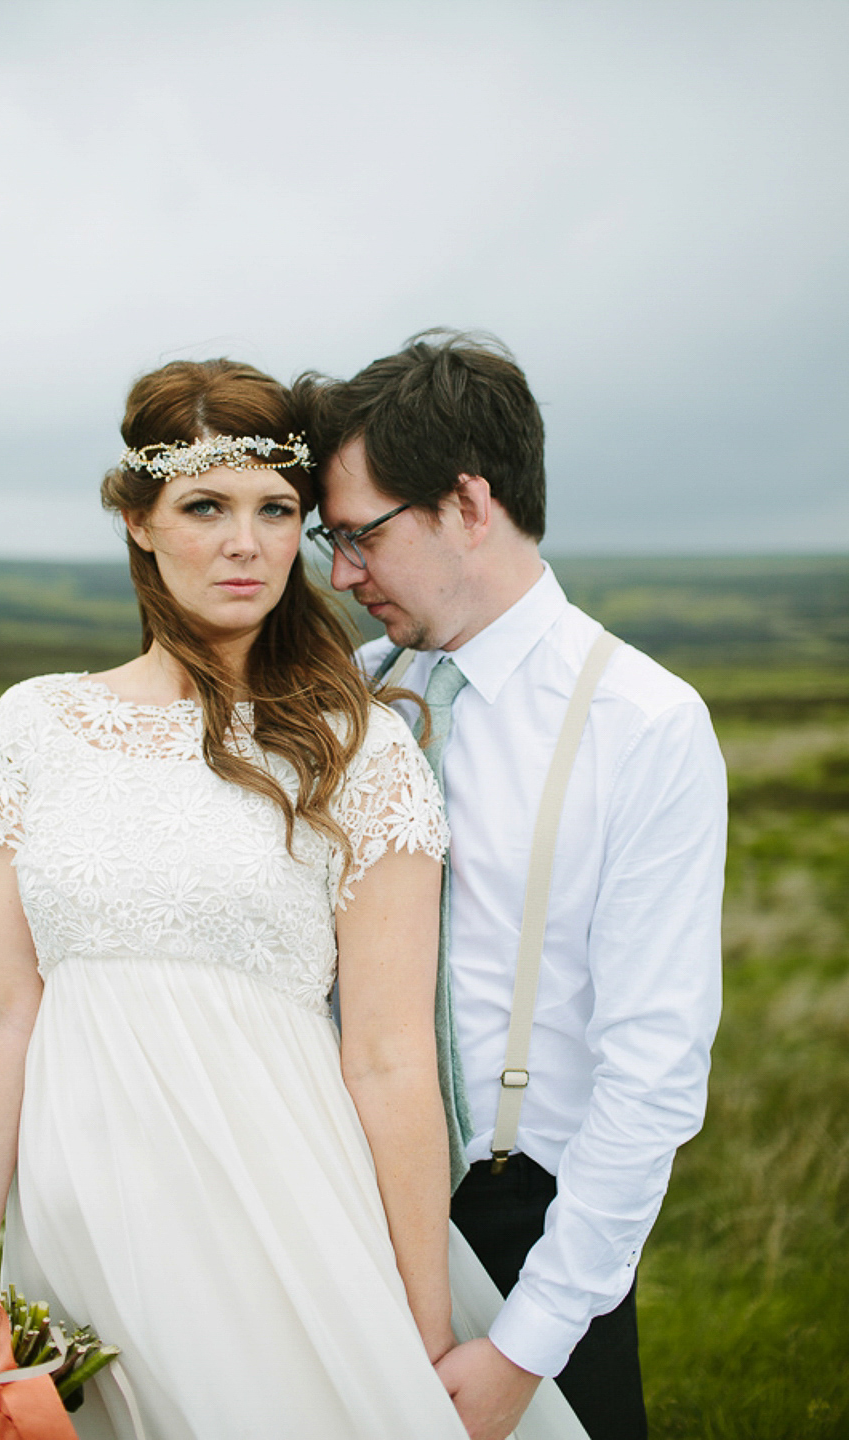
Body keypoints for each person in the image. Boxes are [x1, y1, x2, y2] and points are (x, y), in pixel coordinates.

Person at [0, 357, 508, 1440]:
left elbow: (388, 1056)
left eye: (277, 510)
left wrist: (417, 1329)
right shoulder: (34, 726)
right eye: (205, 506)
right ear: (139, 521)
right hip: (83, 1223)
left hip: (277, 1215)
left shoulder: (360, 749)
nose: (247, 543)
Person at [302, 330, 727, 1440]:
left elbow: (653, 1075)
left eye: (360, 536)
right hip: (338, 1203)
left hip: (526, 1229)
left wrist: (528, 1347)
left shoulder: (644, 724)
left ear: (468, 504)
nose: (342, 575)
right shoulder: (349, 697)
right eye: (329, 541)